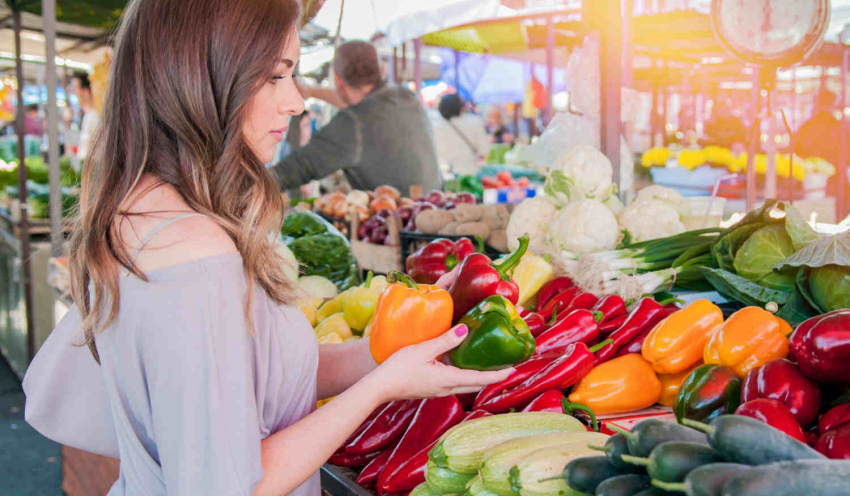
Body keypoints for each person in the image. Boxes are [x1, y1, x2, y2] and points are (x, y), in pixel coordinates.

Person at [21, 2, 511, 496]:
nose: (297, 101)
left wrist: (393, 348)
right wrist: (381, 388)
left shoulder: (143, 211)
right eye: (277, 76)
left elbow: (267, 380)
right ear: (206, 79)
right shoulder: (194, 257)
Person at [270, 41, 441, 195]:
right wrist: (310, 92)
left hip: (397, 226)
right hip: (440, 212)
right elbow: (357, 101)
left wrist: (248, 188)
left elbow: (295, 169)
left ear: (337, 81)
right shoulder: (408, 97)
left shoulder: (352, 123)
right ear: (382, 71)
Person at [431, 94, 491, 176]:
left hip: (444, 174)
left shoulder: (434, 126)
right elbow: (484, 151)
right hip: (469, 174)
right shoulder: (474, 122)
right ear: (460, 107)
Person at [71, 72, 99, 161]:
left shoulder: (95, 117)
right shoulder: (88, 116)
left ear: (86, 91)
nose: (74, 92)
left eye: (75, 88)